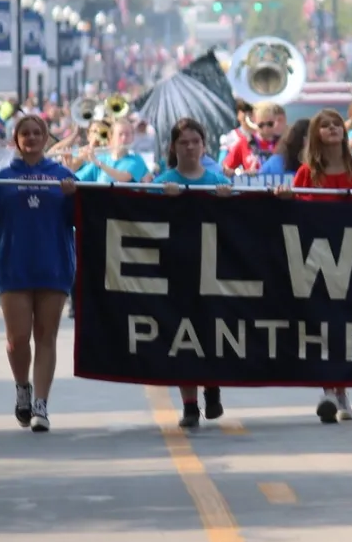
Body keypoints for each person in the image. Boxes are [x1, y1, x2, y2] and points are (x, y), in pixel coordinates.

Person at [0, 113, 78, 433]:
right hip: (14, 265)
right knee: (17, 339)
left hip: (53, 265)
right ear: (16, 139)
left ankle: (41, 404)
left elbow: (82, 218)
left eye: (36, 132)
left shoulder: (61, 175)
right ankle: (22, 389)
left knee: (46, 335)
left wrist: (74, 195)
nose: (30, 138)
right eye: (24, 133)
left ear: (45, 137)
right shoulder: (0, 177)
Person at [279, 108, 352, 424]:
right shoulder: (307, 174)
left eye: (337, 123)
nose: (333, 128)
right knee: (322, 325)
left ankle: (342, 391)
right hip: (318, 262)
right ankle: (329, 390)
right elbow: (298, 214)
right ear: (316, 135)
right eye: (325, 125)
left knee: (345, 326)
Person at [157, 118, 232, 428]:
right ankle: (189, 404)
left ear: (204, 145)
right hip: (176, 268)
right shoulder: (162, 181)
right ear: (174, 146)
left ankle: (212, 387)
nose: (189, 147)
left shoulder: (219, 181)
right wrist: (164, 199)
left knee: (212, 332)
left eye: (195, 141)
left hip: (213, 269)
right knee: (182, 335)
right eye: (183, 142)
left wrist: (227, 201)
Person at [75, 120, 149, 184]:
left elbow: (123, 177)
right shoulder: (102, 159)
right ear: (111, 137)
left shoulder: (137, 160)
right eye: (120, 134)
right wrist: (74, 162)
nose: (124, 138)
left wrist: (98, 163)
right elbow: (77, 179)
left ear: (132, 138)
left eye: (127, 134)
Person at [222, 102, 286, 175]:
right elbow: (226, 168)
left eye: (270, 124)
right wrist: (242, 173)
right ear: (255, 122)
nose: (266, 128)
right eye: (261, 125)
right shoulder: (245, 143)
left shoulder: (283, 143)